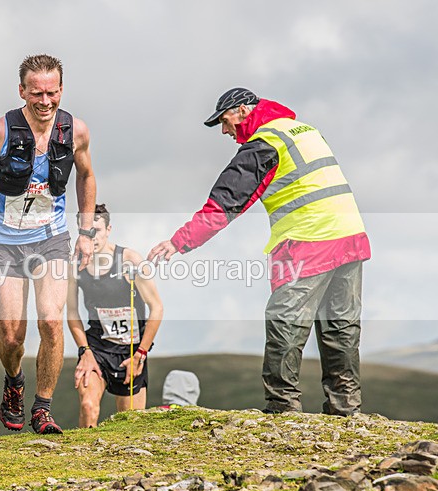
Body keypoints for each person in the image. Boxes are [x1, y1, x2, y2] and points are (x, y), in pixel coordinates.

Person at [148, 88, 371, 416]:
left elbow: (227, 201)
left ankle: (282, 409)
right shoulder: (303, 130)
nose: (225, 131)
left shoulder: (266, 141)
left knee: (284, 322)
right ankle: (346, 410)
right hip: (350, 236)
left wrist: (180, 241)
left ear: (241, 111)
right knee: (340, 327)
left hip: (309, 239)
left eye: (224, 122)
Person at [0, 54, 96, 434]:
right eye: (36, 93)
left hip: (51, 239)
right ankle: (15, 381)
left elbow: (86, 177)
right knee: (11, 336)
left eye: (52, 93)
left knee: (51, 321)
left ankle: (43, 408)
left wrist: (85, 233)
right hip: (5, 243)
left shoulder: (76, 131)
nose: (45, 101)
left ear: (61, 90)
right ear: (22, 91)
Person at [68, 204, 163, 427]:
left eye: (97, 230)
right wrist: (85, 351)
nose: (92, 236)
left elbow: (156, 308)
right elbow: (71, 312)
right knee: (88, 407)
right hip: (97, 348)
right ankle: (82, 457)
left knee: (129, 425)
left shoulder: (129, 260)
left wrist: (141, 353)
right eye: (86, 230)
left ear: (109, 229)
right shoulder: (75, 266)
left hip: (130, 351)